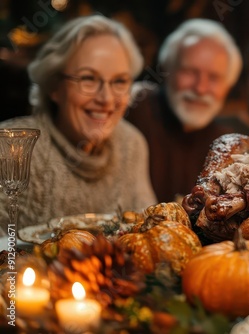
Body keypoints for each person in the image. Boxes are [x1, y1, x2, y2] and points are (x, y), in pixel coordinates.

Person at [0, 15, 157, 235]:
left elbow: (149, 234)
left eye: (120, 81)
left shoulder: (132, 144)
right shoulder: (9, 145)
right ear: (55, 86)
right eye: (88, 79)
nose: (107, 99)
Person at [126, 18, 242, 203]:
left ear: (228, 86)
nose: (200, 88)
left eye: (214, 78)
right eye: (189, 72)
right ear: (167, 69)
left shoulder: (229, 149)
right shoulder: (131, 109)